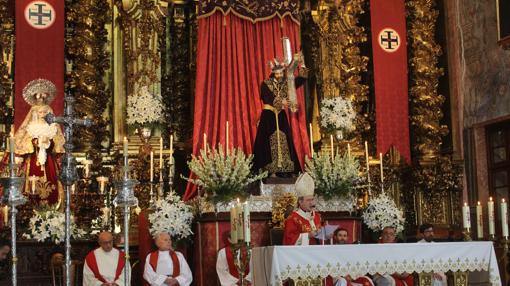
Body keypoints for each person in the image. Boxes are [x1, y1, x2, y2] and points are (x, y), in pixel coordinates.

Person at [252, 55, 307, 176]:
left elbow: (301, 79)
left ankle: (284, 171)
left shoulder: (286, 83)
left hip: (280, 116)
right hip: (268, 116)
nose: (280, 76)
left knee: (284, 140)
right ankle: (268, 171)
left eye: (281, 73)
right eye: (277, 73)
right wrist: (280, 101)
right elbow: (266, 96)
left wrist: (302, 64)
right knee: (267, 141)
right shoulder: (266, 83)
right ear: (273, 72)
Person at [13, 79, 64, 206]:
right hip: (33, 158)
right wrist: (35, 142)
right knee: (30, 180)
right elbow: (24, 137)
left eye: (44, 112)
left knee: (51, 180)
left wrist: (48, 142)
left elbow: (57, 138)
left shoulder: (50, 121)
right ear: (34, 113)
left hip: (48, 161)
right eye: (39, 112)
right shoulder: (31, 124)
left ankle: (51, 206)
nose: (42, 114)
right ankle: (30, 206)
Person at [283, 172, 322, 245]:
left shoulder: (317, 216)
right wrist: (308, 236)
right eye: (308, 200)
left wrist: (326, 235)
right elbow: (289, 239)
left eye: (312, 199)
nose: (311, 203)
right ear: (300, 202)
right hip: (301, 254)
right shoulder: (293, 218)